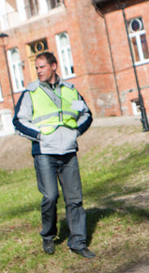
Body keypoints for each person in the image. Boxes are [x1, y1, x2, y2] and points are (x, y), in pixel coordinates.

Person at [13, 51, 96, 259]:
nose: (38, 71)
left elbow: (86, 113)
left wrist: (75, 132)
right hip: (44, 152)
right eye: (37, 68)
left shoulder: (70, 91)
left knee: (75, 199)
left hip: (68, 151)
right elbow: (18, 121)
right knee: (50, 196)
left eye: (42, 67)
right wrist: (39, 136)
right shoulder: (31, 93)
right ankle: (48, 235)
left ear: (53, 66)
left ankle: (78, 242)